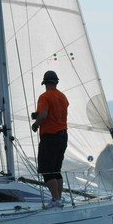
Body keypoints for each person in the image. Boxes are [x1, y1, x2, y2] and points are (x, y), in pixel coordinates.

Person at [31, 70, 69, 208]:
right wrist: (39, 114)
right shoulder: (63, 97)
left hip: (50, 136)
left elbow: (44, 116)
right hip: (63, 135)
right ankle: (59, 198)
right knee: (56, 170)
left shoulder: (44, 97)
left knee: (46, 170)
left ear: (45, 83)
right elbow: (56, 113)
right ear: (56, 82)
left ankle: (55, 199)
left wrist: (36, 124)